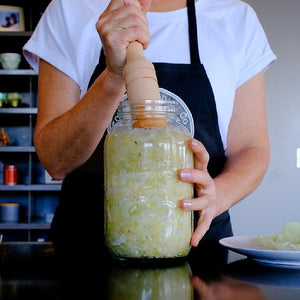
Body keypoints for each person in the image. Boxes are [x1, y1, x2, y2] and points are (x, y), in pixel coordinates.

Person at [23, 0, 276, 259]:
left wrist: (217, 196)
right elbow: (56, 160)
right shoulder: (70, 8)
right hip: (86, 250)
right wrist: (113, 76)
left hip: (199, 247)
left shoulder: (235, 17)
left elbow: (251, 148)